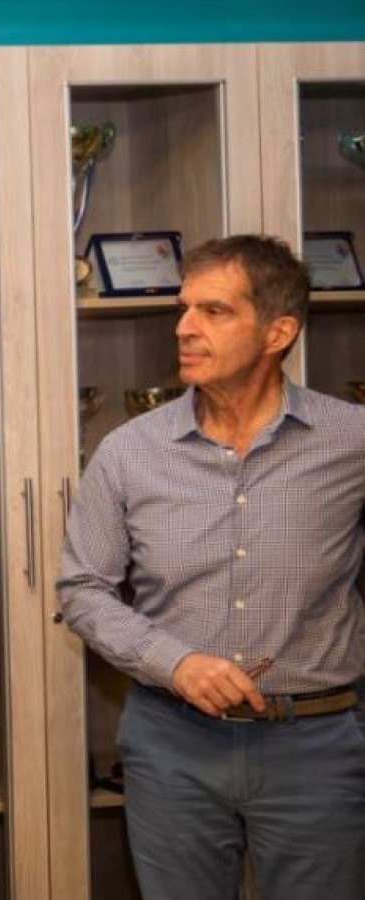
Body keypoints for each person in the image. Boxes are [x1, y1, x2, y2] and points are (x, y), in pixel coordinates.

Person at [57, 235, 365, 900]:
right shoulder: (129, 450)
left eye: (214, 312)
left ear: (278, 331)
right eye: (184, 307)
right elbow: (82, 588)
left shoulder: (352, 442)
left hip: (318, 745)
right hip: (172, 745)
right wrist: (176, 663)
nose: (185, 328)